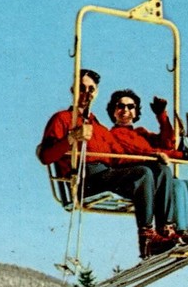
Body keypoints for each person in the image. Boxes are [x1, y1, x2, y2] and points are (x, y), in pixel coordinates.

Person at [37, 68, 176, 259]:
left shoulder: (99, 128)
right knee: (143, 173)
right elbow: (45, 156)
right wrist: (71, 138)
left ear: (96, 92)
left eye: (91, 89)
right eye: (82, 88)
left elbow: (119, 155)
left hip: (107, 174)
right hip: (85, 177)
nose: (86, 93)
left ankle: (164, 230)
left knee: (160, 169)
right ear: (73, 89)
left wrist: (154, 155)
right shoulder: (62, 119)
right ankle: (146, 238)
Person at [105, 89, 188, 242]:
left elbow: (167, 144)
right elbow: (142, 151)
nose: (125, 111)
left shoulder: (141, 133)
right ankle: (177, 230)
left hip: (156, 176)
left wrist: (162, 116)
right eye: (120, 106)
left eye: (131, 107)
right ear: (113, 111)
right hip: (140, 180)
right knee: (177, 186)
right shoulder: (115, 134)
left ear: (136, 112)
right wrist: (182, 156)